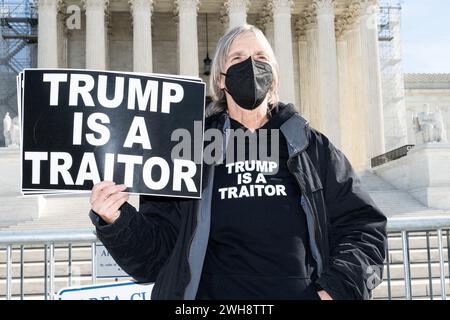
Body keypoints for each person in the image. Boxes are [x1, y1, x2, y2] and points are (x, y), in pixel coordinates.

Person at [89, 24, 387, 300]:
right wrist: (116, 219)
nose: (251, 65)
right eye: (238, 57)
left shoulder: (311, 147)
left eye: (260, 56)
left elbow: (363, 227)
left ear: (274, 74)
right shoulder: (187, 149)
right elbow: (154, 258)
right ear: (220, 78)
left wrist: (335, 290)